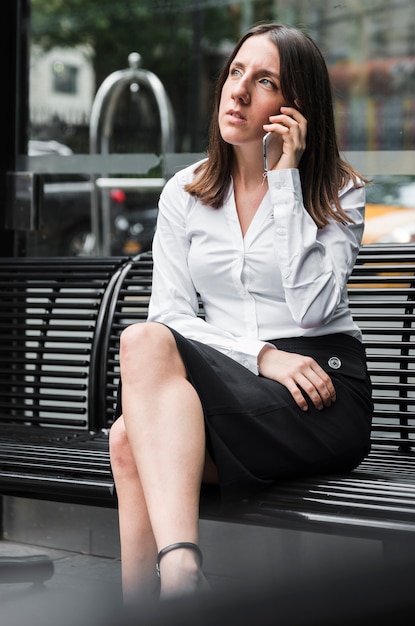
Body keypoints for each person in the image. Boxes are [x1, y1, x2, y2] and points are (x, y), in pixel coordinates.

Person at [109, 22, 373, 604]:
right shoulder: (185, 192)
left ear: (295, 108)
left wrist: (284, 182)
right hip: (244, 373)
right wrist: (261, 357)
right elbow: (171, 317)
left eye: (265, 81)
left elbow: (313, 308)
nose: (239, 92)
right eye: (235, 73)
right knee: (139, 370)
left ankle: (156, 596)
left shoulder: (339, 192)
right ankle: (171, 580)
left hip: (322, 388)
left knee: (132, 433)